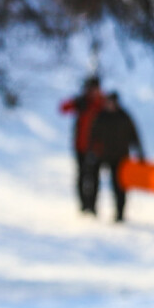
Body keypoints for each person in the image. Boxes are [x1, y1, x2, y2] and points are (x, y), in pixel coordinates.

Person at [86, 92, 146, 222]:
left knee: (119, 186)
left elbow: (134, 136)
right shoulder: (101, 116)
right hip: (103, 155)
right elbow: (92, 135)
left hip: (120, 157)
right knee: (95, 182)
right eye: (108, 102)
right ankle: (92, 207)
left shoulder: (124, 117)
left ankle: (120, 213)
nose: (110, 105)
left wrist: (140, 154)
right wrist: (90, 151)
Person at [59, 75, 104, 214]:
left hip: (96, 148)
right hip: (80, 146)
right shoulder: (81, 102)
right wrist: (77, 101)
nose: (92, 92)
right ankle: (83, 205)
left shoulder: (101, 103)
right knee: (81, 176)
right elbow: (63, 108)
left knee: (95, 177)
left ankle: (93, 205)